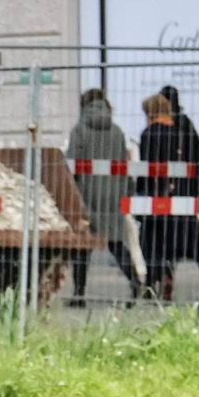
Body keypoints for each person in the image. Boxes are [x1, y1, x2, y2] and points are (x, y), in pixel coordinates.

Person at [65, 88, 142, 302]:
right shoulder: (117, 131)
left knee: (82, 248)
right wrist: (125, 191)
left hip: (86, 195)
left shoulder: (79, 130)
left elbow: (72, 164)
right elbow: (123, 164)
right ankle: (135, 282)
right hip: (113, 195)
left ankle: (79, 294)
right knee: (117, 244)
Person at [136, 92, 199, 302]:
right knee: (193, 242)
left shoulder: (148, 134)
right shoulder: (180, 132)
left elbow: (146, 169)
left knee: (151, 241)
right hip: (180, 194)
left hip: (155, 196)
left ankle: (156, 282)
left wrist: (140, 193)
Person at [156, 83, 199, 298]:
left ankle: (168, 284)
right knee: (194, 241)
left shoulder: (163, 126)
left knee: (165, 240)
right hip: (186, 192)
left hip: (168, 192)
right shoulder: (187, 125)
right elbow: (198, 160)